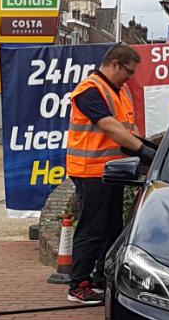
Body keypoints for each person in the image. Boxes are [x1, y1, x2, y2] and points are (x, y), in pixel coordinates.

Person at [64, 42, 153, 305]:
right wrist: (145, 152)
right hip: (91, 171)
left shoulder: (119, 91)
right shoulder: (90, 90)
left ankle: (102, 279)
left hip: (112, 171)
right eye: (129, 71)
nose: (131, 77)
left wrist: (148, 148)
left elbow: (128, 130)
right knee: (92, 228)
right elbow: (109, 127)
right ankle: (78, 284)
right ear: (115, 64)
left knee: (111, 226)